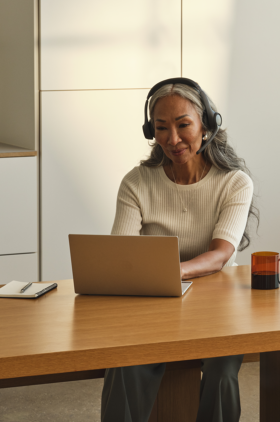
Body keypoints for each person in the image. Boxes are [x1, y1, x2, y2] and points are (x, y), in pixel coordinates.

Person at [101, 78, 257, 422]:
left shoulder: (234, 182)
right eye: (161, 128)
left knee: (222, 375)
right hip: (155, 306)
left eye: (183, 125)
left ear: (206, 126)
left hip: (220, 308)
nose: (173, 139)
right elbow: (120, 254)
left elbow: (221, 254)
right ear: (151, 132)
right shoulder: (137, 182)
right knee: (124, 364)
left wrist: (173, 270)